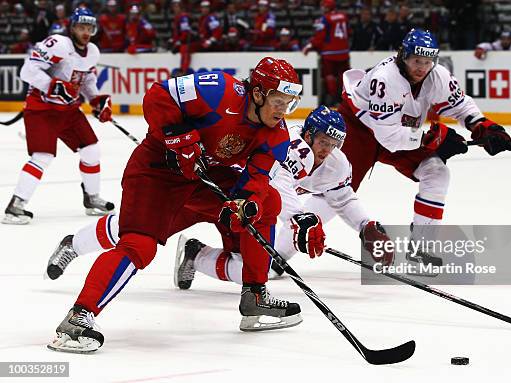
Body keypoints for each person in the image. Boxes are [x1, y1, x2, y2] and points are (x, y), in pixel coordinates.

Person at [46, 57, 304, 353]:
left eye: (289, 103)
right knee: (139, 246)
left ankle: (255, 296)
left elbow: (256, 179)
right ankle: (78, 317)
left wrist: (245, 204)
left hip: (203, 178)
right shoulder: (219, 89)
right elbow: (158, 95)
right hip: (157, 172)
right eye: (278, 101)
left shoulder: (277, 135)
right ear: (257, 93)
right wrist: (178, 138)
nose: (283, 111)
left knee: (269, 202)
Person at [44, 107, 395, 287]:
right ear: (309, 134)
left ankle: (195, 256)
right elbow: (278, 184)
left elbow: (343, 198)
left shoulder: (336, 165)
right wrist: (301, 218)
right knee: (134, 227)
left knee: (262, 267)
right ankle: (73, 244)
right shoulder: (292, 147)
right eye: (323, 142)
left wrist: (366, 225)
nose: (326, 150)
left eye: (334, 144)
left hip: (239, 208)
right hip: (208, 190)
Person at [338, 28, 511, 262]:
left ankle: (421, 247)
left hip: (400, 132)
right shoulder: (385, 78)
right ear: (403, 56)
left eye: (428, 61)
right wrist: (434, 139)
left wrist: (482, 126)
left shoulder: (437, 75)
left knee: (437, 173)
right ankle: (282, 252)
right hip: (360, 130)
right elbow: (387, 136)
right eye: (416, 61)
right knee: (336, 190)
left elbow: (460, 105)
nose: (422, 67)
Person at [3, 8, 114, 225]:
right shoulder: (59, 44)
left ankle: (92, 199)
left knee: (92, 150)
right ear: (72, 27)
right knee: (43, 157)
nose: (85, 32)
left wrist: (96, 100)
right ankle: (15, 207)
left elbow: (87, 80)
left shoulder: (92, 51)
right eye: (81, 27)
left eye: (89, 28)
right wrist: (52, 86)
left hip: (69, 111)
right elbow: (27, 71)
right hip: (42, 109)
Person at [302, 0, 349, 106]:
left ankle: (333, 98)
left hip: (329, 52)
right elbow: (348, 32)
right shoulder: (343, 16)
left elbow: (319, 36)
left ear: (328, 7)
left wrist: (310, 46)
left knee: (329, 76)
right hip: (344, 52)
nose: (322, 8)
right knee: (343, 76)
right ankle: (343, 98)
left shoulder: (324, 19)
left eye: (324, 6)